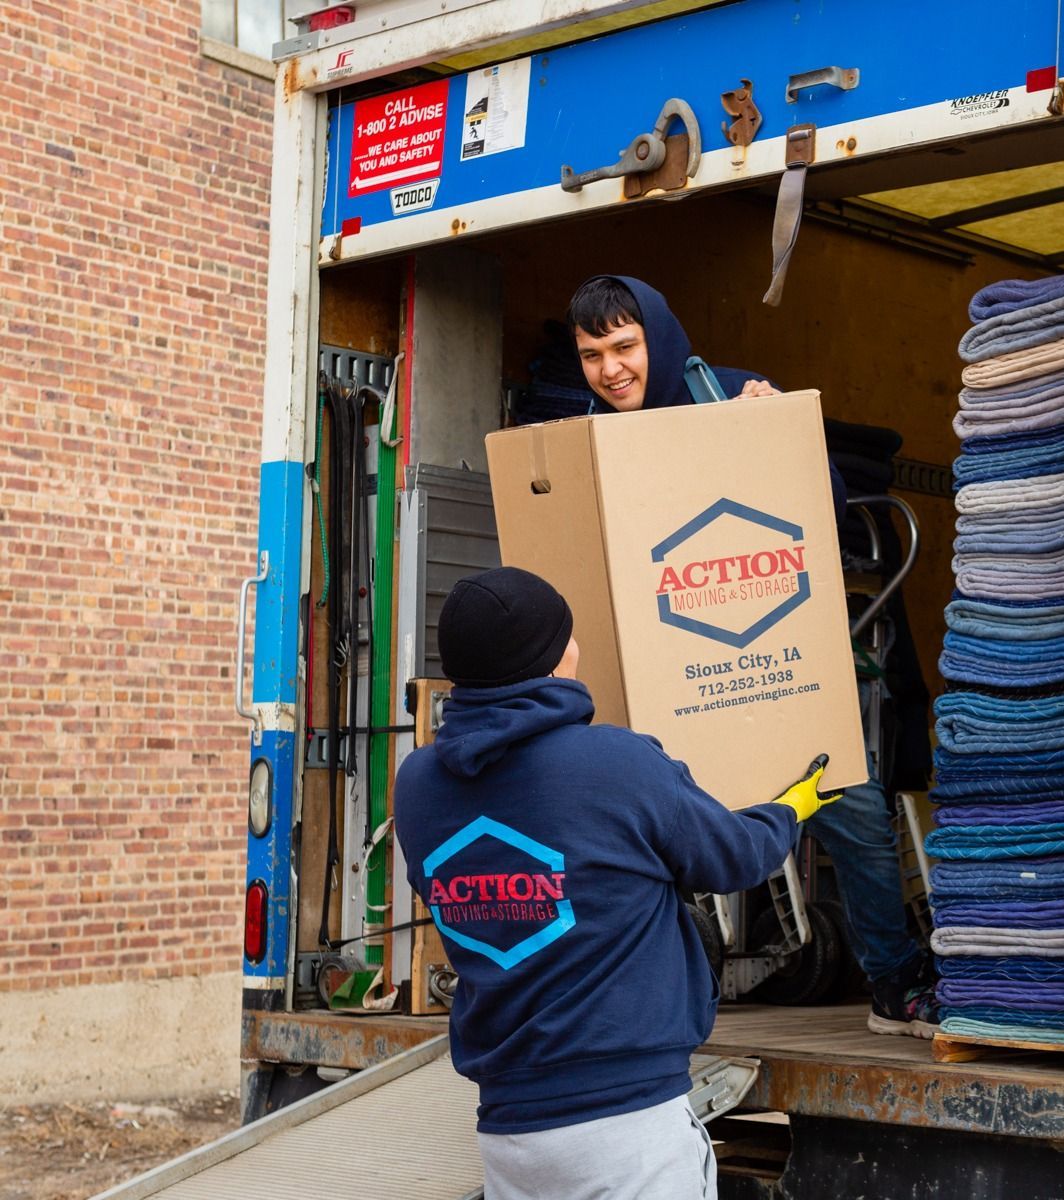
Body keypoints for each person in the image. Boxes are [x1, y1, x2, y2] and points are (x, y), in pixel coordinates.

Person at [567, 274, 939, 1038]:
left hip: (768, 666)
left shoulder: (726, 397)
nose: (610, 370)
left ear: (658, 338)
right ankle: (645, 1001)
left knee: (853, 809)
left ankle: (894, 981)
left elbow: (824, 508)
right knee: (647, 837)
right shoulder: (585, 442)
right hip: (664, 689)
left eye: (624, 347)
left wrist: (776, 438)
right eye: (591, 353)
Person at [394, 566, 840, 1200]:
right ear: (552, 658)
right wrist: (789, 809)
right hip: (629, 1129)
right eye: (567, 636)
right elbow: (733, 858)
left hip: (509, 1134)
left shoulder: (417, 785)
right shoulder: (617, 762)